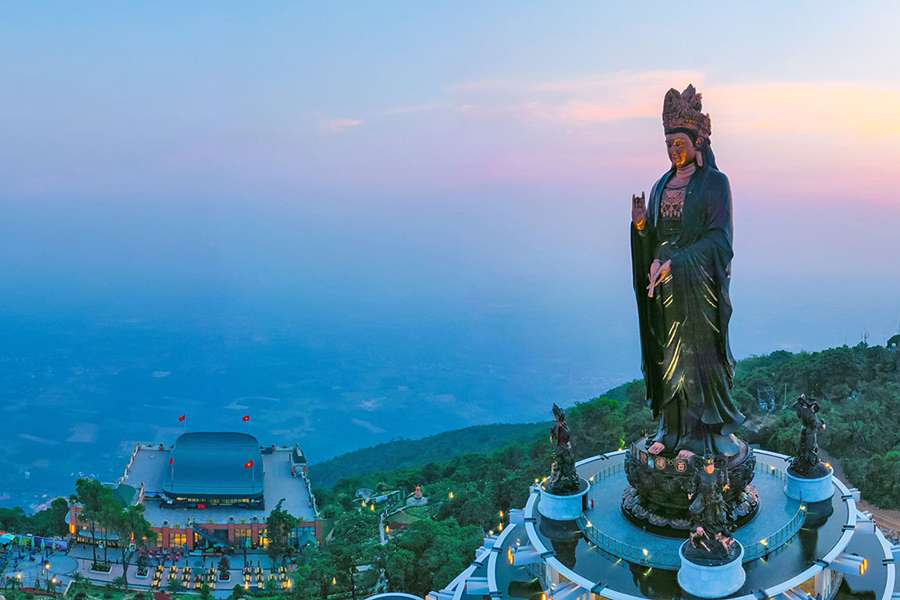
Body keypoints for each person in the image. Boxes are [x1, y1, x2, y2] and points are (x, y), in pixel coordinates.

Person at [631, 84, 745, 460]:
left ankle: (700, 437)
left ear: (698, 142)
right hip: (665, 290)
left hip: (697, 290)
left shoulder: (715, 184)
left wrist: (677, 263)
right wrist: (642, 229)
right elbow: (657, 239)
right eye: (668, 145)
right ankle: (671, 429)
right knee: (668, 358)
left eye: (679, 143)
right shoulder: (660, 186)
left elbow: (720, 240)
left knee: (696, 360)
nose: (673, 151)